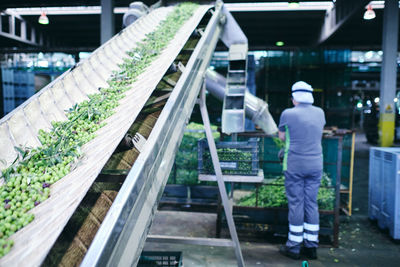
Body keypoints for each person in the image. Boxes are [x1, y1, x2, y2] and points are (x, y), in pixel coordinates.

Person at [277, 81, 326, 260]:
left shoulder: (288, 113)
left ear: (295, 97)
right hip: (316, 164)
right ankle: (311, 247)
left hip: (295, 165)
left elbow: (282, 136)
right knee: (311, 203)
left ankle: (294, 247)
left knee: (297, 203)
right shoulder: (320, 112)